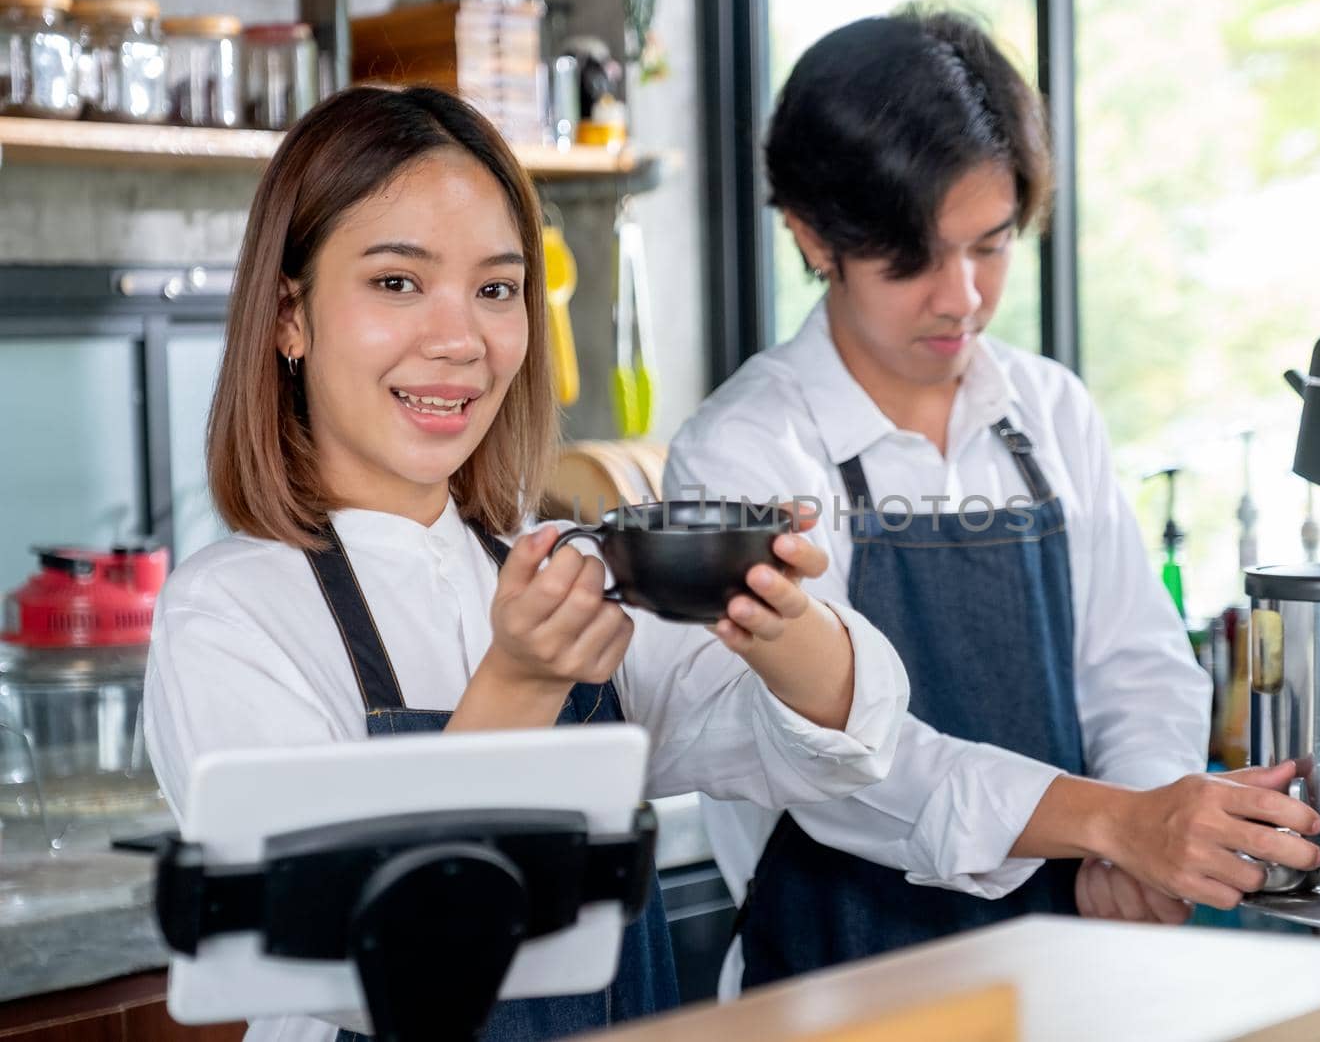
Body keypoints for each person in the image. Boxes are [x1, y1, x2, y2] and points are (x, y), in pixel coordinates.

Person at [143, 85, 910, 1042]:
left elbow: (840, 740)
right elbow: (350, 956)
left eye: (497, 289)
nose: (460, 339)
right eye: (397, 282)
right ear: (289, 317)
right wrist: (521, 681)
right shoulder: (230, 613)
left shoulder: (565, 570)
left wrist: (772, 609)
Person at [664, 10, 1320, 997]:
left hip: (1075, 966)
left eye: (992, 244)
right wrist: (1112, 819)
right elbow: (853, 764)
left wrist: (1141, 831)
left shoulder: (1049, 409)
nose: (962, 296)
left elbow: (1133, 664)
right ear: (811, 234)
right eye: (914, 257)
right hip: (837, 987)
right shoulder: (745, 452)